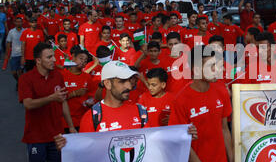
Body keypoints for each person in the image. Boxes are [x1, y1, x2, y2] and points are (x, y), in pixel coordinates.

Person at [54, 60, 196, 143]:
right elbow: (84, 157)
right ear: (107, 84)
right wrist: (68, 146)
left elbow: (152, 143)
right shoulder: (91, 118)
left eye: (129, 81)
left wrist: (182, 133)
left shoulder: (140, 111)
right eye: (122, 81)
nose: (129, 86)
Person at [168, 45, 237, 162]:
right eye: (211, 66)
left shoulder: (221, 91)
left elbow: (224, 129)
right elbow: (184, 144)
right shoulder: (181, 100)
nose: (217, 70)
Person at [18, 42, 76, 162]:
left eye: (54, 56)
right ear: (38, 60)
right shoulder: (26, 79)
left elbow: (63, 101)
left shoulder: (57, 76)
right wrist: (52, 98)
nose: (53, 60)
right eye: (49, 57)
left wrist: (70, 126)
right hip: (35, 137)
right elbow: (28, 104)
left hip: (57, 135)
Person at [60, 48, 96, 133]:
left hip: (82, 120)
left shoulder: (87, 77)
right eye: (81, 58)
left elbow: (93, 96)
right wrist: (74, 93)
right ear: (73, 58)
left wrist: (90, 102)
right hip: (64, 121)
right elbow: (55, 98)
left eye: (85, 60)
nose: (83, 62)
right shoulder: (61, 75)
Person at [5, 14, 25, 90]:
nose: (19, 23)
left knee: (20, 71)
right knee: (14, 72)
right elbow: (8, 43)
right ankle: (19, 81)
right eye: (17, 22)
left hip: (22, 55)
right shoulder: (11, 32)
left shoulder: (25, 31)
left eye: (20, 22)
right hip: (13, 55)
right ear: (15, 23)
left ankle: (20, 84)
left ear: (22, 22)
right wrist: (7, 55)